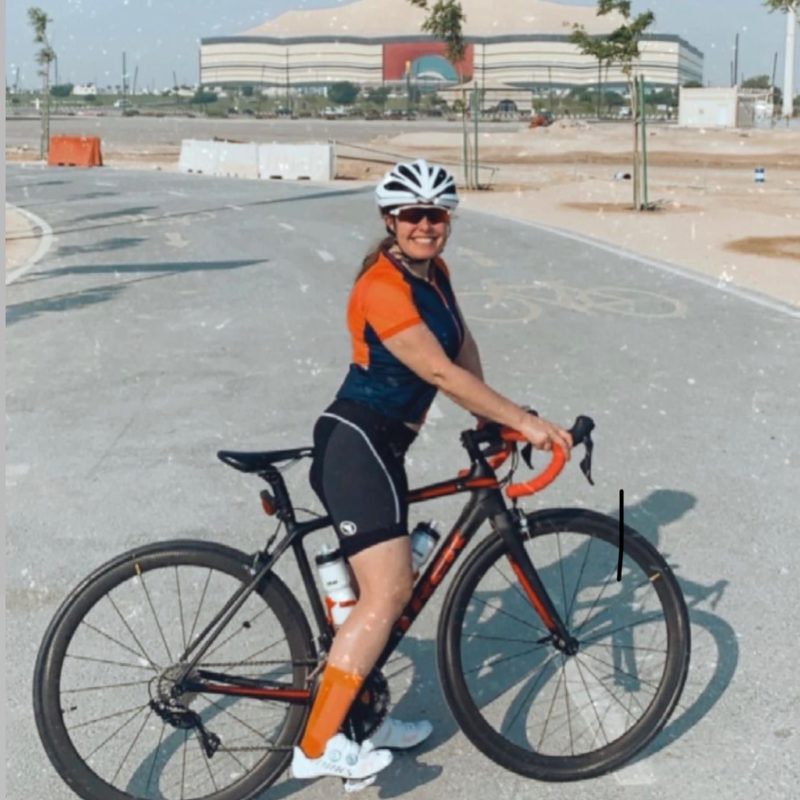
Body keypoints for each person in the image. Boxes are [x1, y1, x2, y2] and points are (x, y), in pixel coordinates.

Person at [291, 158, 573, 784]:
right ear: (390, 220)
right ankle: (316, 745)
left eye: (436, 215)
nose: (425, 225)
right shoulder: (382, 286)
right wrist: (526, 424)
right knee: (390, 590)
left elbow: (460, 347)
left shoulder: (434, 272)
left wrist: (493, 412)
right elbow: (439, 373)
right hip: (356, 444)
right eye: (412, 215)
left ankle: (359, 716)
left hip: (379, 449)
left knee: (387, 585)